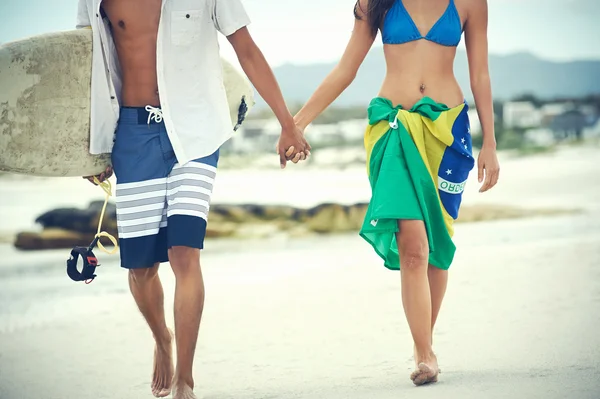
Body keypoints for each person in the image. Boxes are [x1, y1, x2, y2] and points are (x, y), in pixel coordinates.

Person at [76, 0, 310, 398]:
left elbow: (246, 48)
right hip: (132, 135)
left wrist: (288, 124)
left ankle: (186, 378)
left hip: (197, 129)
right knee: (141, 268)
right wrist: (86, 150)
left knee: (185, 252)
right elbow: (84, 62)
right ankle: (162, 339)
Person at [292, 0, 500, 386]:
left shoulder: (471, 3)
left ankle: (426, 341)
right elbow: (346, 69)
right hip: (393, 129)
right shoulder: (375, 3)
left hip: (446, 131)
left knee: (436, 245)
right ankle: (424, 353)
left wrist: (490, 142)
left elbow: (481, 74)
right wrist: (297, 123)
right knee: (414, 246)